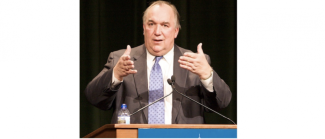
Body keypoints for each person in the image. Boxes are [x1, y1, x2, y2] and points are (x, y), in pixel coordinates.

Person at [85, 0, 232, 124]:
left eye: (165, 25)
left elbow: (222, 103)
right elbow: (93, 98)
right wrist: (115, 75)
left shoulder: (196, 62)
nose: (157, 32)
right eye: (151, 24)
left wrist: (208, 76)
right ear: (144, 28)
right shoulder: (121, 60)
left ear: (176, 31)